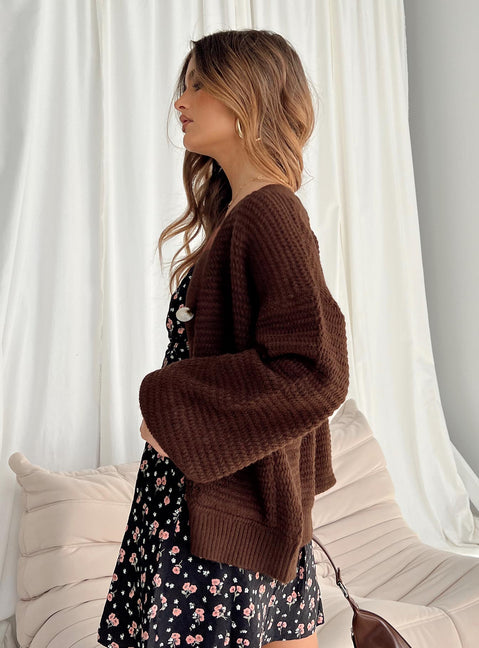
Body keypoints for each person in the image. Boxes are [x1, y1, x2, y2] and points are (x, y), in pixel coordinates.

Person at [97, 28, 349, 648]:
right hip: (213, 496)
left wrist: (174, 406)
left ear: (247, 98)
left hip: (221, 507)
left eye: (198, 85)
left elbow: (315, 370)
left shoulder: (270, 212)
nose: (180, 102)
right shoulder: (244, 212)